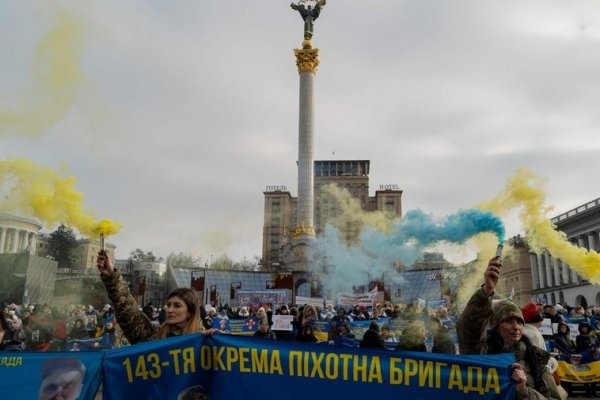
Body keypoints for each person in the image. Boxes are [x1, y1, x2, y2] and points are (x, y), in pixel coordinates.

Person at [457, 255, 563, 400]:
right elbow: (469, 329)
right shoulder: (484, 354)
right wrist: (486, 291)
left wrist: (524, 391)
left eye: (519, 322)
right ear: (496, 326)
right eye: (508, 321)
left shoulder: (536, 360)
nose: (516, 327)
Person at [97, 251, 213, 344]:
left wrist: (217, 339)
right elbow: (128, 312)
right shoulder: (154, 337)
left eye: (177, 305)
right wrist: (112, 276)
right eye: (168, 305)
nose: (170, 310)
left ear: (190, 312)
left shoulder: (205, 341)